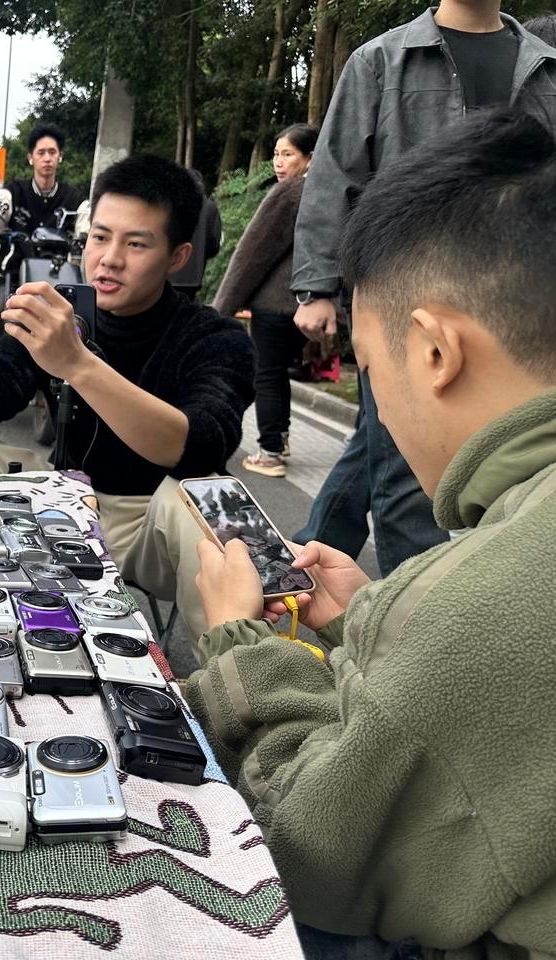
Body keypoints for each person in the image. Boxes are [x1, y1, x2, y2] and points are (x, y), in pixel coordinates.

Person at [186, 109, 556, 959]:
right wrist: (374, 617)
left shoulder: (477, 599)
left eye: (369, 366)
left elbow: (307, 848)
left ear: (434, 352)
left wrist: (239, 640)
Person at [0, 155, 255, 641]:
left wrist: (77, 363)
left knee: (206, 498)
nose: (110, 258)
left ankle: (235, 673)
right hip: (61, 498)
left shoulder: (213, 337)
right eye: (100, 237)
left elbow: (201, 443)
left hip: (147, 525)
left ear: (178, 257)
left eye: (136, 243)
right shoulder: (53, 318)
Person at [290, 0, 556, 576]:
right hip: (404, 301)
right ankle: (414, 613)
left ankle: (312, 556)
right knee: (406, 477)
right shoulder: (381, 61)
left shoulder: (546, 66)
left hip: (521, 304)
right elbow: (334, 175)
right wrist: (316, 290)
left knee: (521, 469)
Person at [213, 123, 319, 479]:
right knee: (280, 372)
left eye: (287, 154)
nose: (278, 162)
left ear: (310, 158)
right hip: (309, 304)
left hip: (275, 304)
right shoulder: (331, 194)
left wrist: (222, 308)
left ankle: (270, 452)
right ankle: (282, 438)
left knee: (268, 375)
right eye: (276, 154)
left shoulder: (290, 193)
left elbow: (253, 254)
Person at [0, 123, 87, 360]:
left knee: (80, 326)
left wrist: (91, 236)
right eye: (41, 152)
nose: (47, 158)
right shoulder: (14, 192)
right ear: (31, 158)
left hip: (57, 283)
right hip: (12, 280)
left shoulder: (73, 198)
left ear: (60, 157)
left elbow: (88, 220)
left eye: (52, 152)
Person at [167, 170, 221, 300]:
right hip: (194, 276)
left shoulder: (168, 204)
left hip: (166, 272)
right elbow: (214, 244)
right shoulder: (210, 207)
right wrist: (201, 255)